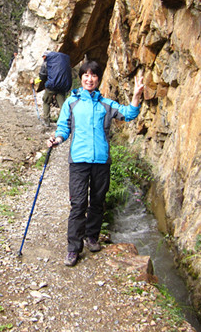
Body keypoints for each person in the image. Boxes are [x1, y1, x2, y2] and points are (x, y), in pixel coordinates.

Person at [47, 60, 144, 267]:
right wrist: (57, 139)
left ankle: (92, 237)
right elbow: (63, 128)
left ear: (98, 80)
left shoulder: (106, 105)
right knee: (78, 204)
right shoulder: (71, 103)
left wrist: (136, 96)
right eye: (86, 75)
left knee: (98, 202)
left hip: (101, 161)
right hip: (79, 161)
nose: (89, 79)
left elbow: (129, 114)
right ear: (81, 78)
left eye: (93, 76)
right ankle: (73, 248)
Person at [32, 51, 72, 127]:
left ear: (45, 56)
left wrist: (34, 81)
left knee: (46, 101)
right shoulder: (62, 62)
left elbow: (42, 76)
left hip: (52, 86)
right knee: (63, 105)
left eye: (43, 57)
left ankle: (46, 122)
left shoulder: (47, 62)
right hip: (62, 86)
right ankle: (63, 122)